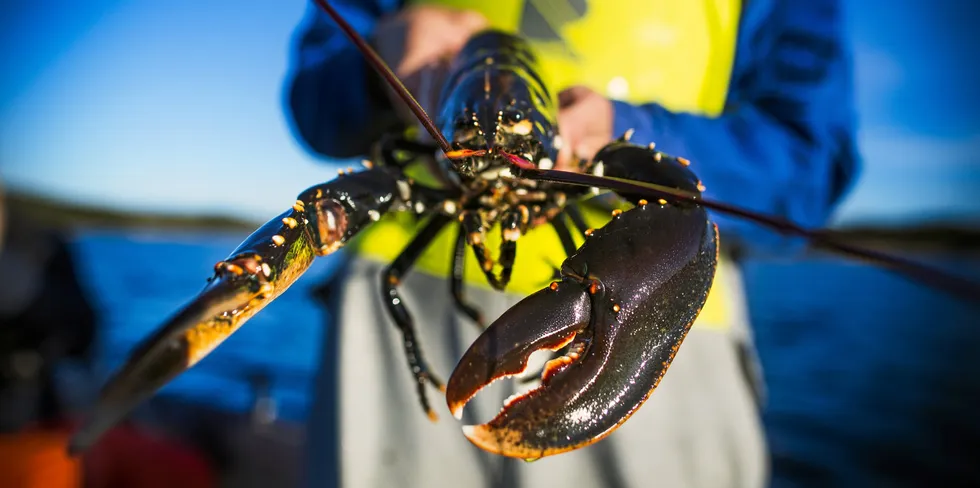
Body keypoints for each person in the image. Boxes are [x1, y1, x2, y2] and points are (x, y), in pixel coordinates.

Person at [285, 1, 858, 487]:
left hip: (650, 324)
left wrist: (632, 132)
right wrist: (369, 61)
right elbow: (314, 101)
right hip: (392, 334)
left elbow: (809, 168)